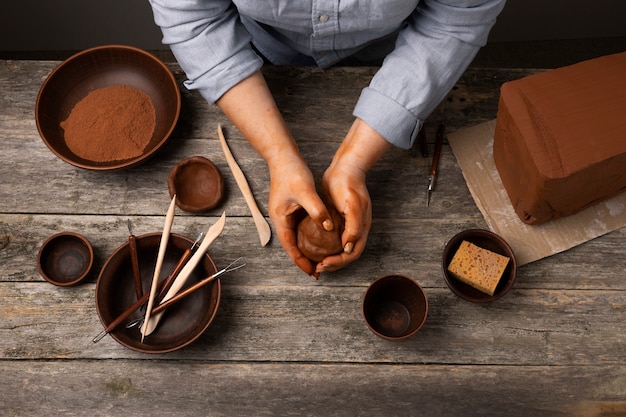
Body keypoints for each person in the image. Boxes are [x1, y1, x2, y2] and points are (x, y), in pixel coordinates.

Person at [148, 0, 506, 278]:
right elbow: (193, 16)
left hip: (394, 58)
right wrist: (279, 157)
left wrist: (353, 162)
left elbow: (457, 16)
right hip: (255, 57)